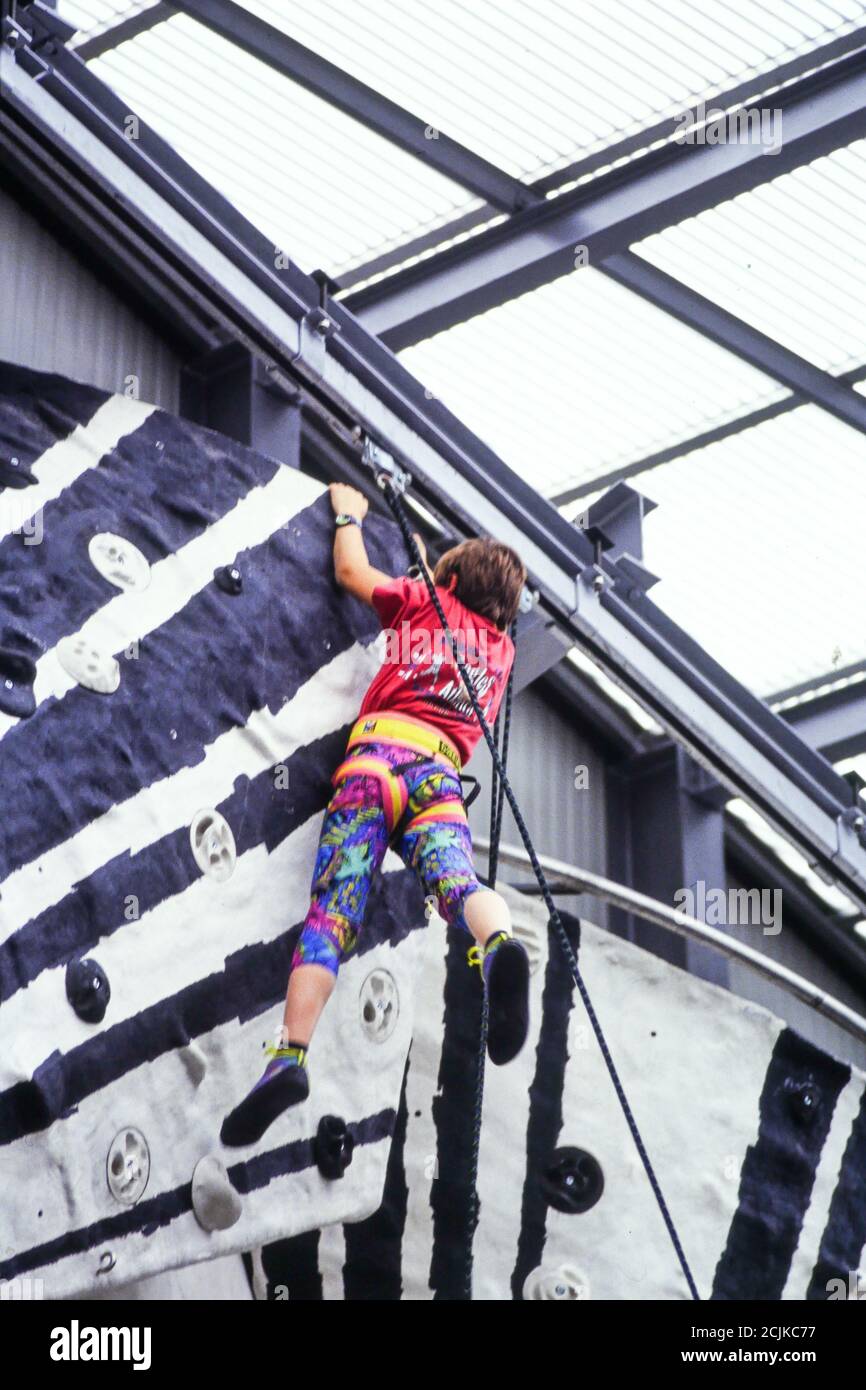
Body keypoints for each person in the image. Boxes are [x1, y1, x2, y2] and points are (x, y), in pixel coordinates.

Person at [221, 482, 530, 1147]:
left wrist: (350, 515)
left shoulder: (424, 602)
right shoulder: (501, 654)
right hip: (438, 779)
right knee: (460, 886)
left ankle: (290, 1055)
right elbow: (470, 613)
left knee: (332, 913)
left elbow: (350, 573)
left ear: (447, 579)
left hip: (375, 765)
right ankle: (501, 945)